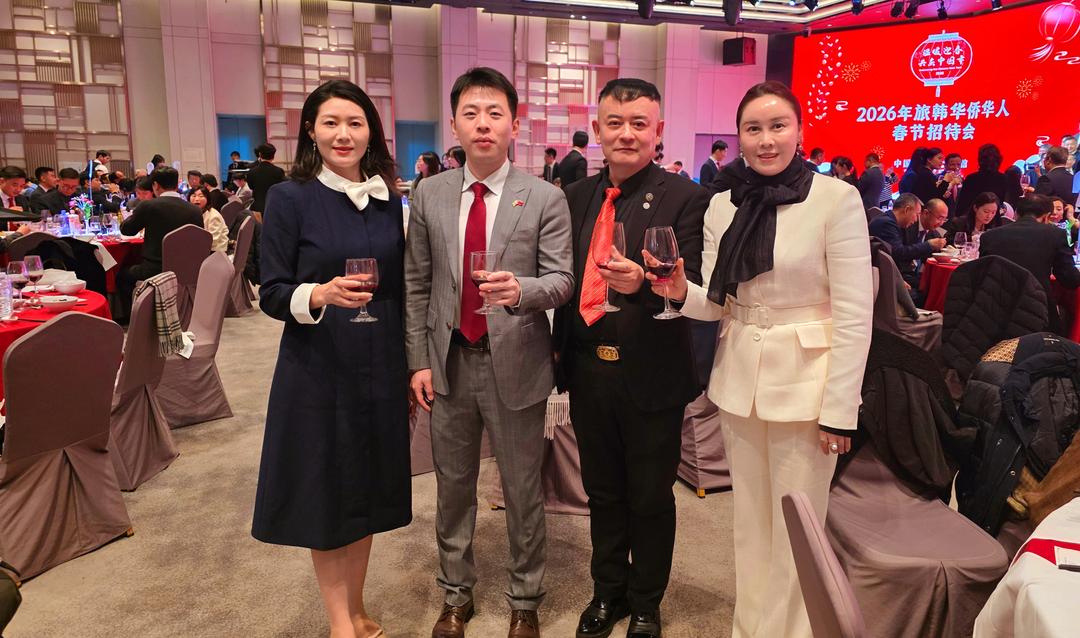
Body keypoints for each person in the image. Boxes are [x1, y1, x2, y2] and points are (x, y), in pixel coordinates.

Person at [649, 81, 872, 638]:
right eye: (754, 128)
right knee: (749, 524)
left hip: (809, 386)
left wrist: (841, 408)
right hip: (740, 380)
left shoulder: (836, 199)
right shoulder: (723, 203)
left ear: (800, 131)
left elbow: (854, 314)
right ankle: (748, 629)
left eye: (778, 126)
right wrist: (678, 289)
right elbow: (716, 303)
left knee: (797, 529)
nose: (766, 140)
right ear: (739, 137)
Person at [404, 67, 573, 638]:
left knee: (523, 491)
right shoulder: (429, 193)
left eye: (495, 113)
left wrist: (522, 291)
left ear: (514, 125)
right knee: (453, 488)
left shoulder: (545, 196)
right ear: (454, 124)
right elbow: (417, 282)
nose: (483, 124)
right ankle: (456, 595)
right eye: (471, 113)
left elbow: (563, 280)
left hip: (517, 361)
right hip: (448, 361)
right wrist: (418, 360)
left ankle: (525, 600)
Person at [252, 79, 409, 638]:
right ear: (311, 132)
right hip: (318, 365)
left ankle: (358, 606)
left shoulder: (388, 198)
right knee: (327, 492)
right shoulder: (290, 197)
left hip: (379, 360)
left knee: (366, 489)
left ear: (371, 133)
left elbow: (400, 287)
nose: (344, 134)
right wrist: (318, 294)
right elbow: (271, 292)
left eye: (355, 123)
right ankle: (340, 622)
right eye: (331, 123)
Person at [552, 77, 708, 638]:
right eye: (614, 123)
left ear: (657, 131)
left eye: (639, 123)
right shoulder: (574, 196)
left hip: (651, 372)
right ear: (597, 129)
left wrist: (647, 280)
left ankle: (645, 602)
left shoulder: (686, 197)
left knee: (649, 496)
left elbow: (693, 282)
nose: (626, 134)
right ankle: (607, 592)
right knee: (602, 491)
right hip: (588, 367)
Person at [980, 194, 1080, 334]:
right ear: (1046, 217)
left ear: (1016, 214)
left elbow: (981, 277)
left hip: (994, 310)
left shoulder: (989, 236)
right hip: (1037, 310)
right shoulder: (1056, 235)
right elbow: (1069, 279)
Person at [116, 167, 203, 319]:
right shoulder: (194, 210)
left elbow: (127, 230)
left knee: (121, 276)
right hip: (188, 269)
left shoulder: (149, 206)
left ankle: (136, 320)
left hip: (155, 270)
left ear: (155, 185)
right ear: (176, 185)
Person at [868, 193, 946, 291]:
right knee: (931, 289)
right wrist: (929, 245)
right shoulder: (887, 223)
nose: (917, 219)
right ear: (907, 210)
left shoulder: (891, 222)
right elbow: (898, 253)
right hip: (882, 278)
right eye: (917, 214)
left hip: (892, 273)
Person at [955, 144, 1022, 219]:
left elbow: (961, 207)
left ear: (980, 160)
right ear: (999, 160)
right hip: (995, 219)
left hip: (973, 219)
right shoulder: (1004, 179)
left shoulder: (971, 178)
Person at [943, 191, 1008, 244]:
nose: (989, 216)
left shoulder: (995, 226)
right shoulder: (960, 223)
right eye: (986, 211)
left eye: (993, 212)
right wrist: (971, 239)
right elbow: (947, 241)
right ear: (975, 208)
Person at [248, 142, 287, 220]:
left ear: (260, 154)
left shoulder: (252, 171)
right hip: (275, 207)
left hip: (258, 208)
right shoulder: (279, 171)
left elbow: (251, 187)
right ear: (273, 156)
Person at [187, 186, 229, 253]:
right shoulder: (194, 213)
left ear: (207, 199)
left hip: (215, 251)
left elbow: (213, 241)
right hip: (202, 247)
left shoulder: (214, 216)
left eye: (201, 196)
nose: (197, 199)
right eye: (194, 196)